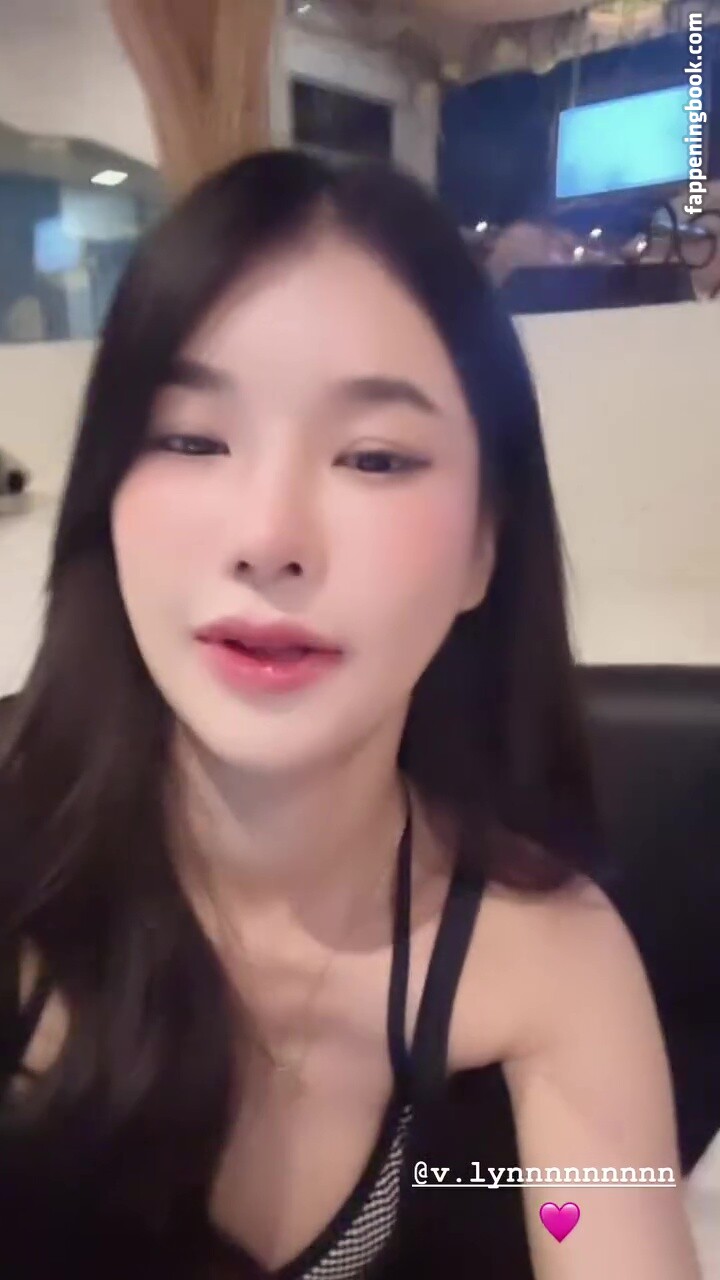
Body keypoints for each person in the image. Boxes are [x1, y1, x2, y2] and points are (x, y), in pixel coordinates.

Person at [0, 150, 700, 1280]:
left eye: (374, 457)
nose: (269, 537)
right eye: (190, 438)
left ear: (484, 547)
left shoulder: (553, 963)